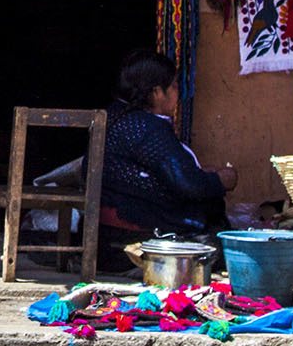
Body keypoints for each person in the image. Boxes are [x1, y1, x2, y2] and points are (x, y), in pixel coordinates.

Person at [97, 52, 233, 241]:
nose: (178, 93)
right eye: (174, 86)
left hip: (110, 224)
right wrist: (221, 180)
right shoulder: (147, 127)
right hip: (138, 226)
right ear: (157, 93)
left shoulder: (114, 115)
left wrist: (200, 173)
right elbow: (188, 185)